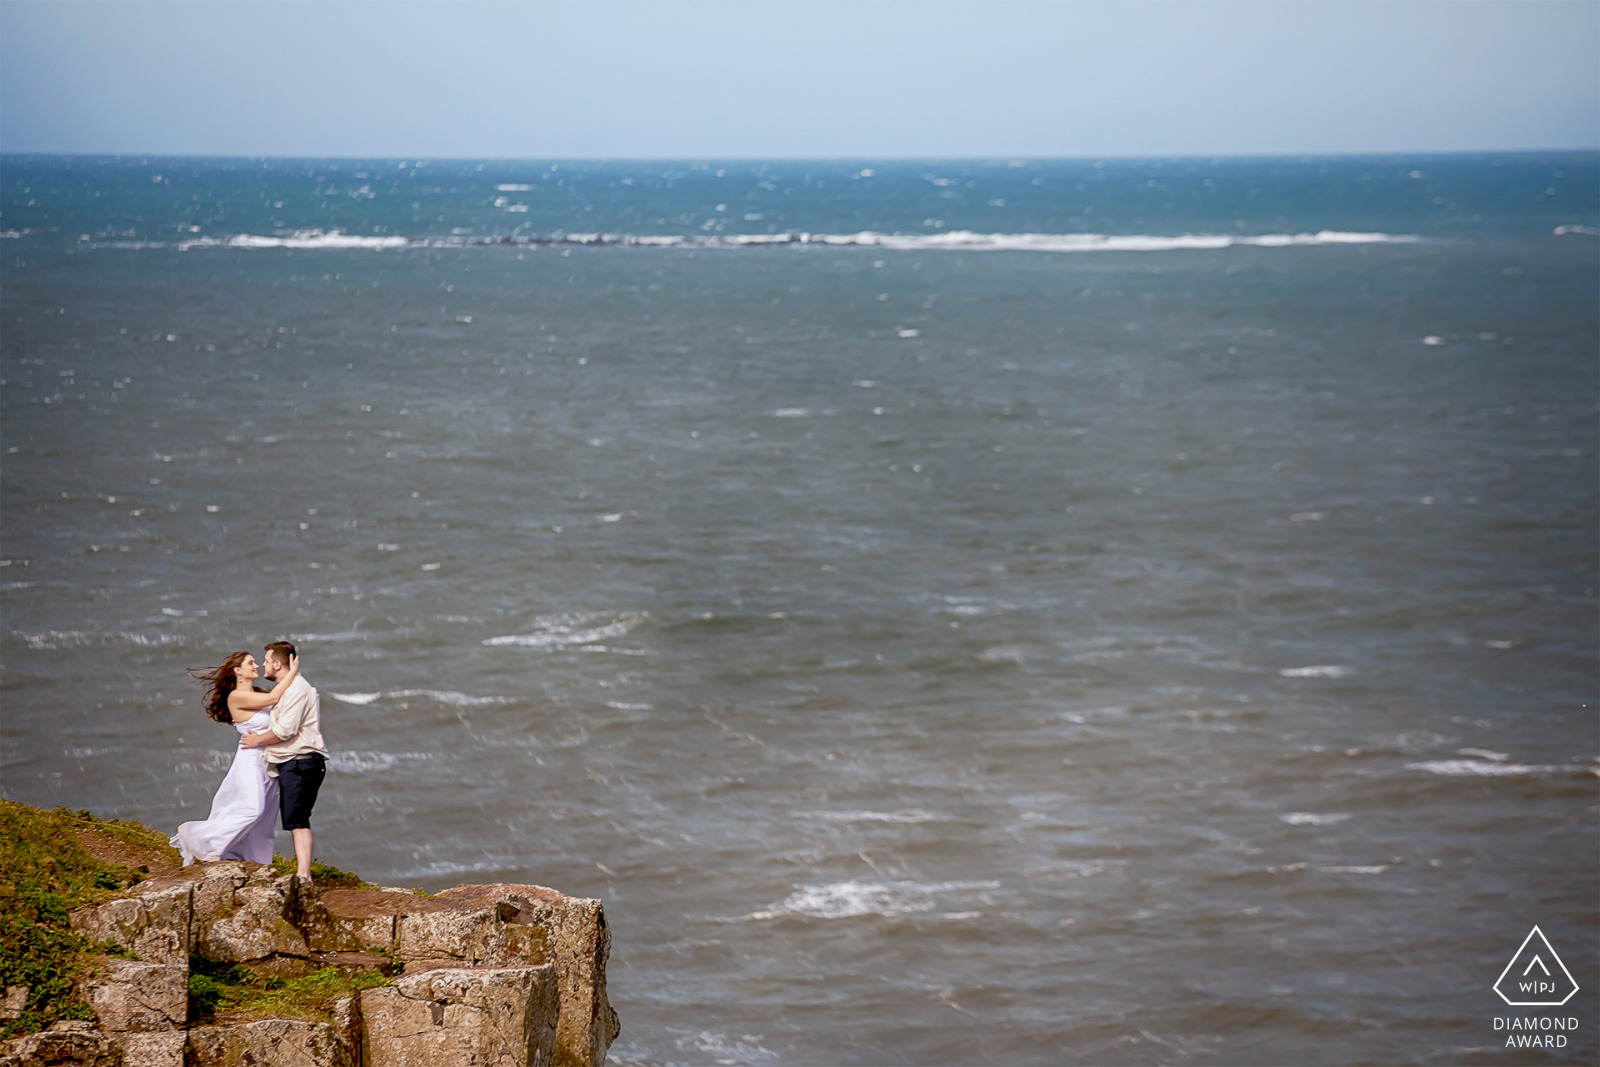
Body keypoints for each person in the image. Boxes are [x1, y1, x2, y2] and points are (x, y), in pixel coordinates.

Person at [172, 650, 301, 865]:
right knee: (253, 809)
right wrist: (292, 672)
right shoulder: (236, 696)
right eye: (250, 663)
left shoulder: (258, 694)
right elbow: (274, 698)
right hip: (250, 759)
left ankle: (254, 860)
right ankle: (203, 841)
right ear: (237, 671)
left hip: (270, 761)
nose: (256, 665)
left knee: (265, 818)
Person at [240, 641, 328, 882]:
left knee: (298, 820)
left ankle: (303, 875)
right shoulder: (287, 687)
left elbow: (286, 730)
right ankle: (302, 873)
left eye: (267, 661)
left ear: (278, 664)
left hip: (300, 762)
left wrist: (258, 740)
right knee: (295, 819)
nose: (263, 665)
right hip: (297, 762)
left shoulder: (297, 689)